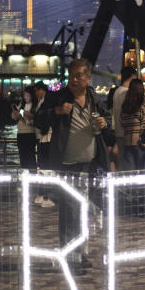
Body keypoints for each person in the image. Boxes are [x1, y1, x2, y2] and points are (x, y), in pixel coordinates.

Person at [34, 59, 112, 261]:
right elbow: (38, 119)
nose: (74, 79)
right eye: (72, 75)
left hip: (91, 162)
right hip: (66, 162)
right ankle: (70, 253)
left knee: (84, 208)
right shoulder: (58, 97)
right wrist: (56, 112)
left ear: (88, 77)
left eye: (79, 75)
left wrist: (105, 122)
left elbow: (108, 121)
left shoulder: (94, 97)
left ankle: (81, 251)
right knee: (69, 209)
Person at [118, 78, 145, 171]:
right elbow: (144, 123)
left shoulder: (125, 106)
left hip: (127, 142)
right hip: (139, 142)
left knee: (130, 172)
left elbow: (122, 122)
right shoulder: (141, 105)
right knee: (141, 172)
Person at [12, 86, 38, 169]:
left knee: (30, 157)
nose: (26, 97)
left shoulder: (35, 105)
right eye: (25, 95)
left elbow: (35, 121)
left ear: (32, 95)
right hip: (20, 134)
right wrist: (15, 114)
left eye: (28, 95)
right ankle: (24, 174)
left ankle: (32, 175)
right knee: (22, 157)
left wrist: (24, 118)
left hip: (30, 134)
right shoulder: (22, 104)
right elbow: (14, 117)